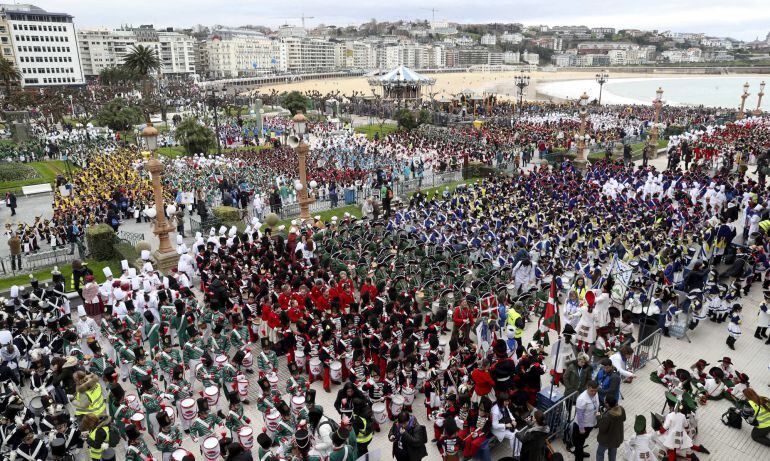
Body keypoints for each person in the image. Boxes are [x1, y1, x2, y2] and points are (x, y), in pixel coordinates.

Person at [572, 380, 600, 461]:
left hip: (590, 424)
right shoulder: (582, 399)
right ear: (587, 388)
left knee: (582, 440)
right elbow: (579, 415)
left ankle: (580, 452)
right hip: (582, 426)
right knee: (579, 443)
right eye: (592, 390)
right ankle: (578, 458)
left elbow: (596, 406)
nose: (594, 392)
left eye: (596, 390)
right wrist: (581, 428)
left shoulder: (595, 394)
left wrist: (597, 415)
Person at [595, 395, 625, 461]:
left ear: (607, 404)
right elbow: (624, 418)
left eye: (605, 401)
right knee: (612, 454)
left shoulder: (607, 416)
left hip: (606, 440)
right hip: (616, 439)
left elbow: (602, 428)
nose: (603, 401)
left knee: (599, 454)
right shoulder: (621, 409)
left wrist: (598, 417)